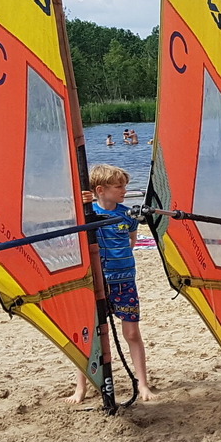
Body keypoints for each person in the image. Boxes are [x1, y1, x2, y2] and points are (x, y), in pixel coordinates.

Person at [68, 165, 156, 403]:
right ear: (100, 190)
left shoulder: (128, 215)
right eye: (119, 187)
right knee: (90, 335)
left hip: (125, 281)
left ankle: (143, 384)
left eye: (124, 186)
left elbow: (131, 241)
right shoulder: (87, 213)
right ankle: (80, 387)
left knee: (132, 333)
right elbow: (70, 221)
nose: (124, 191)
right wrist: (80, 203)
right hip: (97, 283)